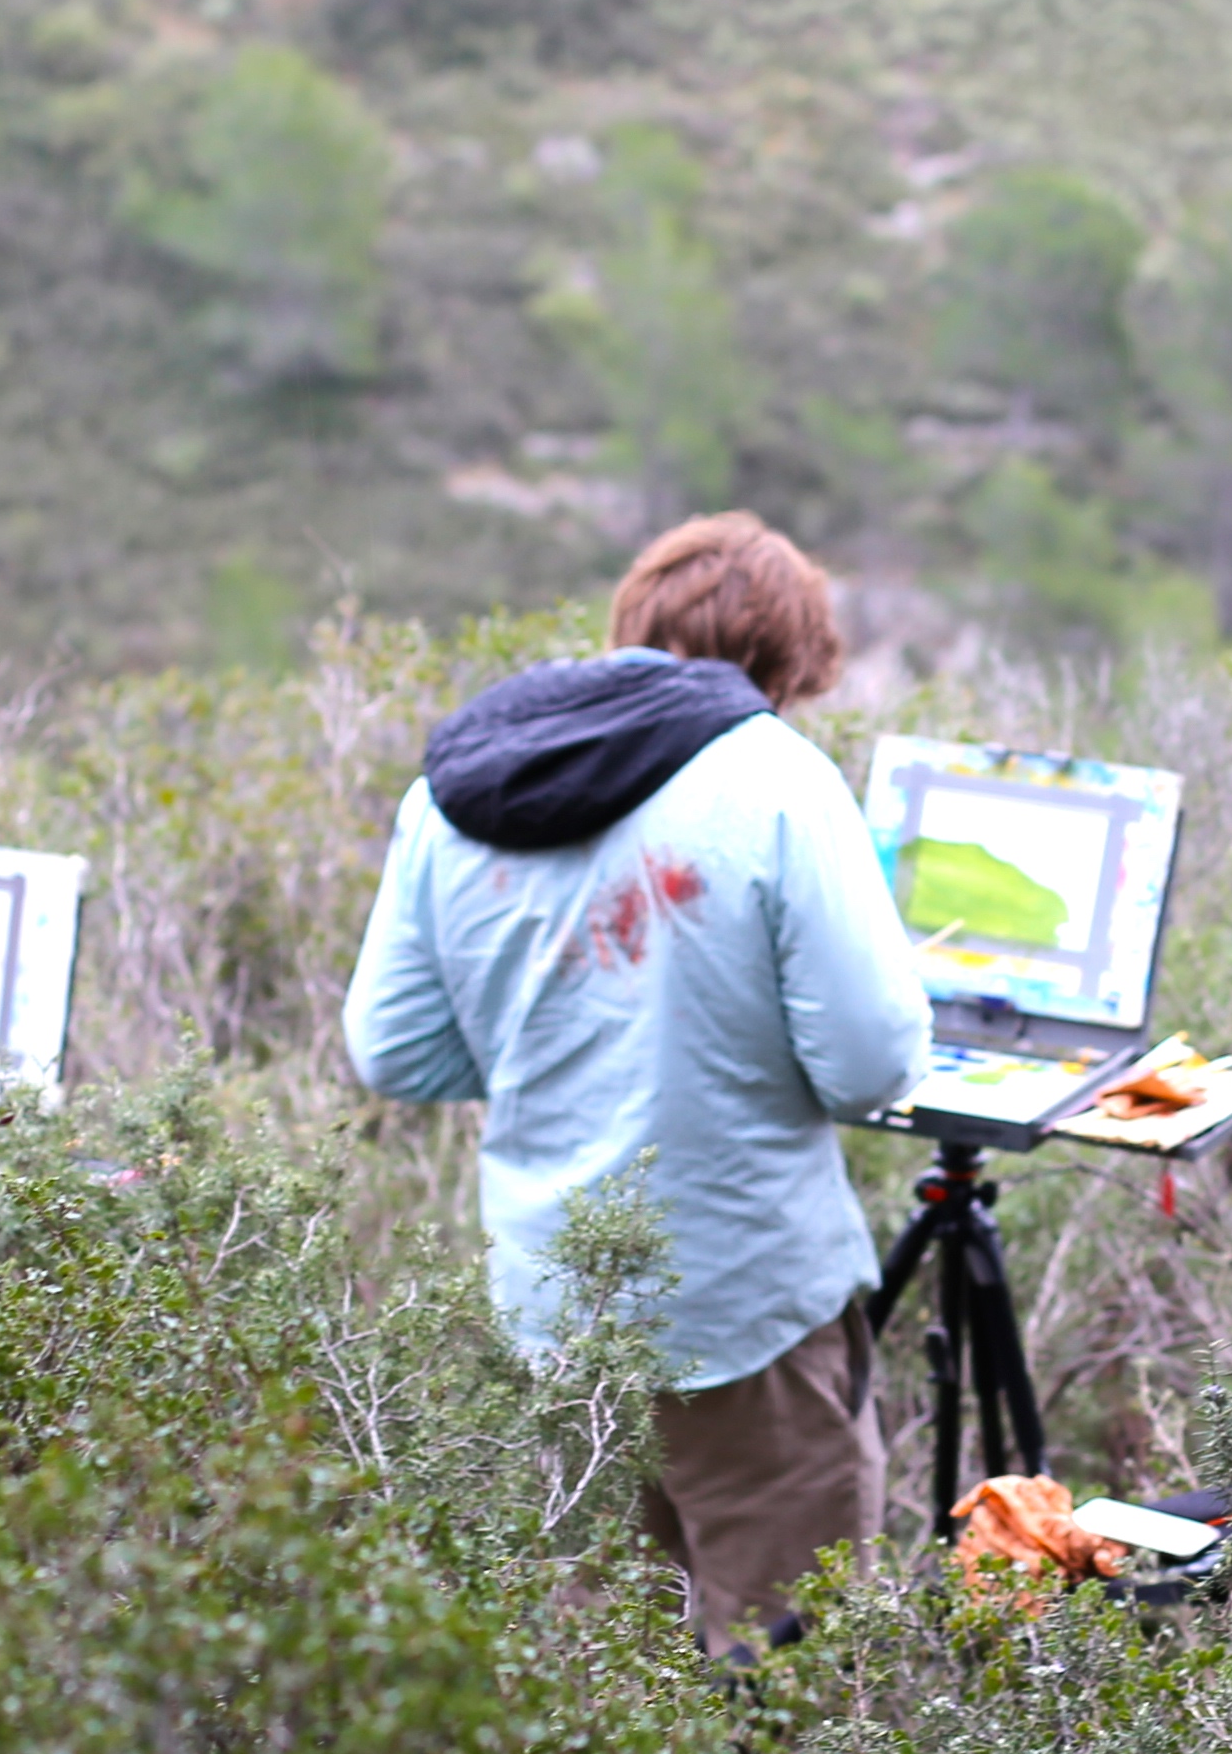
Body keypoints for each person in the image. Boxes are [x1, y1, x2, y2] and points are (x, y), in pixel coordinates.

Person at [341, 512, 934, 1655]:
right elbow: (868, 1065)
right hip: (746, 1307)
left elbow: (396, 1050)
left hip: (549, 1310)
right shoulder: (772, 777)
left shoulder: (454, 793)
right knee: (788, 1680)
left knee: (605, 1682)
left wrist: (553, 1046)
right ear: (789, 662)